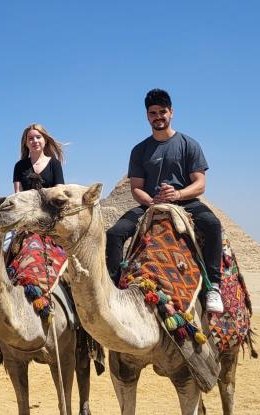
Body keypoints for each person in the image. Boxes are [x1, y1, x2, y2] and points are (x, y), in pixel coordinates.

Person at [105, 89, 224, 313]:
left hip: (185, 202)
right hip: (149, 204)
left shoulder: (189, 144)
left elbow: (200, 184)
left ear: (171, 112)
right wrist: (152, 202)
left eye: (162, 112)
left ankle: (213, 286)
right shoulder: (139, 150)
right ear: (147, 116)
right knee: (114, 233)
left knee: (212, 224)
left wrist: (177, 195)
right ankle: (112, 287)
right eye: (153, 113)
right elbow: (136, 188)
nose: (158, 116)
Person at [12, 123, 65, 192]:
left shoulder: (55, 163)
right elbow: (18, 193)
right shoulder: (19, 166)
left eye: (38, 137)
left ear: (45, 140)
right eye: (30, 138)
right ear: (26, 143)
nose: (35, 141)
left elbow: (59, 191)